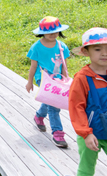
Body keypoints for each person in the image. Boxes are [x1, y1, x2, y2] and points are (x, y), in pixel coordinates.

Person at [69, 28, 107, 175]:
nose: (105, 53)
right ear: (86, 52)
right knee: (86, 168)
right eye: (98, 49)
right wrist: (86, 133)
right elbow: (76, 107)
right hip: (90, 132)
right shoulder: (82, 78)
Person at [25, 16, 70, 148]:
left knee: (50, 100)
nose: (53, 34)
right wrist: (29, 82)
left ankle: (39, 116)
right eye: (50, 32)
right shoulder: (36, 47)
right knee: (53, 105)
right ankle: (58, 132)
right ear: (42, 32)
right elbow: (33, 66)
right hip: (43, 78)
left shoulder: (62, 46)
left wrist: (65, 79)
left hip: (58, 78)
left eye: (56, 31)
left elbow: (64, 65)